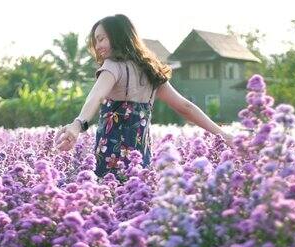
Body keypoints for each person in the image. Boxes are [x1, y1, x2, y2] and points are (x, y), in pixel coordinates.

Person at [54, 14, 232, 177]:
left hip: (110, 160)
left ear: (118, 36)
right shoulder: (150, 72)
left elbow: (95, 97)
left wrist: (78, 124)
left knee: (110, 206)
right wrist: (224, 135)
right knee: (137, 206)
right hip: (141, 160)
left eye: (101, 39)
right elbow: (186, 108)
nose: (98, 46)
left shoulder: (112, 66)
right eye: (96, 41)